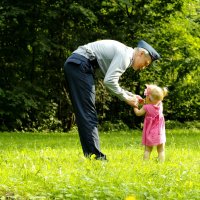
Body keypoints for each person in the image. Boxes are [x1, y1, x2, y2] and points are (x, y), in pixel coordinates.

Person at [64, 39, 161, 160]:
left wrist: (130, 95)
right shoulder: (125, 56)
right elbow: (109, 81)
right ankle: (96, 156)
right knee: (87, 112)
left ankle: (91, 154)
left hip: (78, 64)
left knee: (86, 111)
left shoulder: (125, 54)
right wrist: (126, 98)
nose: (144, 67)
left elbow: (111, 81)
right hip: (80, 65)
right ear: (140, 53)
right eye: (146, 63)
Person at [133, 84, 168, 162]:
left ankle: (145, 163)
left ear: (149, 98)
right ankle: (161, 163)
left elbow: (138, 113)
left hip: (150, 132)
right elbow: (152, 103)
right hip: (159, 132)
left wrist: (135, 106)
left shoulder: (146, 107)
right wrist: (144, 101)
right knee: (161, 149)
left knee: (148, 149)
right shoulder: (160, 104)